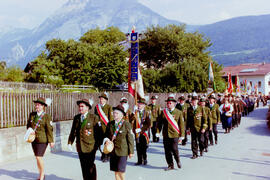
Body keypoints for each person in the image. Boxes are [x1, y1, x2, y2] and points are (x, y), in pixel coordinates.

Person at [68, 99, 100, 180]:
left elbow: (99, 133)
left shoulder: (94, 118)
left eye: (82, 106)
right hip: (80, 146)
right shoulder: (77, 118)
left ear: (87, 108)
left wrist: (99, 145)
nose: (80, 108)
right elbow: (73, 131)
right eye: (79, 106)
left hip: (90, 147)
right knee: (83, 166)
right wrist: (70, 142)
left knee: (90, 165)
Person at [103, 104, 134, 180]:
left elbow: (130, 139)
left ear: (122, 115)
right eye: (114, 113)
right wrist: (106, 140)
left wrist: (131, 152)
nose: (114, 114)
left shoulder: (126, 124)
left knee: (121, 171)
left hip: (122, 151)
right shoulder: (110, 124)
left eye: (116, 113)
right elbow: (106, 135)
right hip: (113, 151)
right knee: (116, 171)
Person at [26, 97, 54, 180]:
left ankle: (42, 176)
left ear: (43, 106)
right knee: (37, 158)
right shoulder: (32, 115)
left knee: (39, 157)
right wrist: (30, 130)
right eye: (36, 105)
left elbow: (49, 129)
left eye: (38, 105)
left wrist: (51, 141)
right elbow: (28, 125)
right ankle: (41, 174)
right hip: (33, 139)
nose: (36, 106)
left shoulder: (46, 116)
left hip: (42, 140)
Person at [157, 94, 185, 170]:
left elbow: (181, 125)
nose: (169, 104)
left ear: (174, 104)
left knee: (174, 149)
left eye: (170, 103)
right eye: (168, 103)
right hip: (166, 134)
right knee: (167, 151)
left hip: (175, 134)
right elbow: (159, 123)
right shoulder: (164, 112)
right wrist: (157, 132)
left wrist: (182, 136)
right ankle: (170, 164)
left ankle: (178, 160)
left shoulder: (178, 112)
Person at [130, 98, 151, 166]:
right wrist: (133, 112)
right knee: (138, 146)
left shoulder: (147, 113)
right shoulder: (135, 112)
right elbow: (130, 120)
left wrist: (141, 129)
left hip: (143, 133)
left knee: (144, 147)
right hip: (136, 132)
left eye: (141, 104)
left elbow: (148, 123)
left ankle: (144, 159)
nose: (140, 105)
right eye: (139, 104)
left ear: (144, 105)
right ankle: (139, 160)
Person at [187, 93, 208, 159]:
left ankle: (201, 149)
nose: (194, 102)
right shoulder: (189, 109)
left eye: (195, 101)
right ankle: (195, 154)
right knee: (193, 141)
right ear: (191, 101)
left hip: (200, 128)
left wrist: (204, 128)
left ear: (197, 101)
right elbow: (188, 119)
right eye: (193, 101)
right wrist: (187, 128)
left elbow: (205, 119)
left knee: (201, 140)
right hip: (193, 128)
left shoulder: (201, 108)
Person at [94, 92, 113, 162]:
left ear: (105, 100)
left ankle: (107, 155)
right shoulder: (97, 107)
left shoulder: (109, 107)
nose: (101, 100)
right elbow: (95, 117)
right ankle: (103, 154)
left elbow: (111, 118)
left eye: (102, 99)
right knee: (100, 142)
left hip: (106, 127)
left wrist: (111, 127)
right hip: (99, 128)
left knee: (106, 142)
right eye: (100, 99)